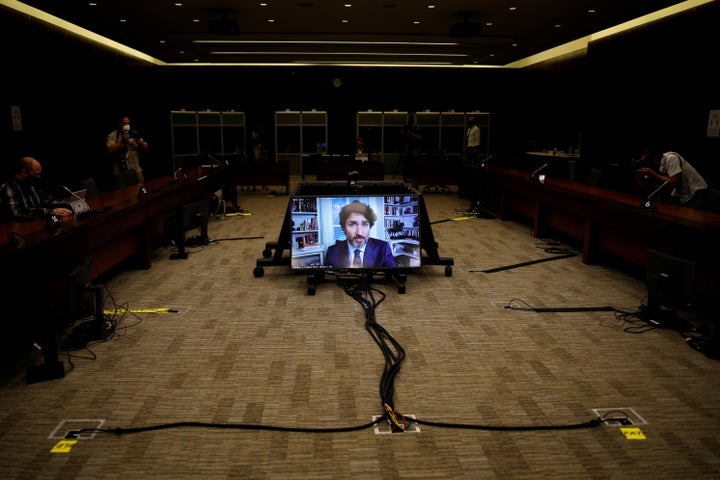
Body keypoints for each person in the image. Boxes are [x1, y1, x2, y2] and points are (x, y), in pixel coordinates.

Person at [325, 200, 396, 269]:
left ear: (370, 227)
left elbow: (393, 275)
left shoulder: (383, 248)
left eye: (365, 224)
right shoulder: (332, 252)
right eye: (352, 225)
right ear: (344, 228)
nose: (359, 233)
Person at [0, 156, 74, 221]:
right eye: (36, 174)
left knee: (61, 225)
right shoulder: (8, 187)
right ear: (24, 172)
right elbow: (17, 212)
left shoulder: (31, 185)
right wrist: (50, 212)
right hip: (20, 231)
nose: (39, 177)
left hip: (37, 224)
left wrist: (72, 202)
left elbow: (49, 200)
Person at [633, 147, 708, 208]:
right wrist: (637, 175)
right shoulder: (656, 167)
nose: (646, 163)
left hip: (696, 191)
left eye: (647, 160)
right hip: (681, 193)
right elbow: (645, 187)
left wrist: (652, 173)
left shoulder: (671, 158)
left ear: (654, 158)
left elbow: (674, 181)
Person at [106, 115, 149, 188]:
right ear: (120, 124)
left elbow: (146, 149)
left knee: (141, 191)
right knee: (124, 196)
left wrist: (140, 142)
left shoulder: (134, 134)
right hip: (121, 174)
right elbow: (109, 150)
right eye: (124, 123)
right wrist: (122, 141)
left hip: (136, 171)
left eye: (128, 123)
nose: (126, 125)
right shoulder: (113, 135)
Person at [400, 114, 422, 182]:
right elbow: (402, 134)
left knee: (414, 164)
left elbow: (419, 137)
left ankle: (414, 177)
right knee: (407, 163)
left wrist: (410, 133)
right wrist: (403, 132)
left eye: (412, 122)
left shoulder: (417, 128)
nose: (411, 124)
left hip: (416, 148)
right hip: (408, 148)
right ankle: (407, 177)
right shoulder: (407, 127)